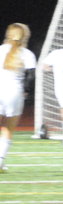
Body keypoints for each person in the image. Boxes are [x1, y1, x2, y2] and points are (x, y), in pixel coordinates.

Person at [0, 23, 36, 172]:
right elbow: (31, 77)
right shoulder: (27, 54)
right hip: (14, 93)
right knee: (8, 129)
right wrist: (26, 92)